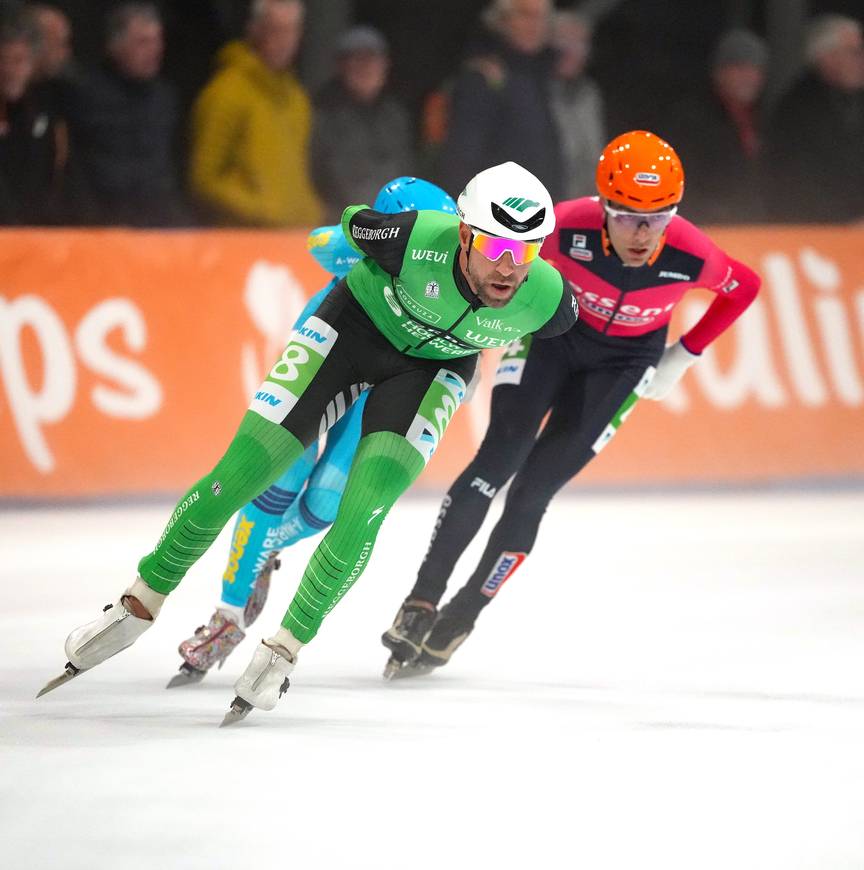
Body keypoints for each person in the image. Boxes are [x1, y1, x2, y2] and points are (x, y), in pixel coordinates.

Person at [38, 160, 579, 725]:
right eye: (497, 248)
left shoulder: (547, 300)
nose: (510, 268)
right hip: (354, 332)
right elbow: (349, 223)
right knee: (243, 473)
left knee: (360, 509)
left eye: (528, 251)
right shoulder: (411, 236)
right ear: (465, 233)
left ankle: (282, 651)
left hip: (429, 374)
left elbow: (568, 342)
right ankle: (136, 605)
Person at [380, 130, 761, 679]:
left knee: (534, 492)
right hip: (551, 341)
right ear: (603, 205)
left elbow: (743, 286)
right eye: (627, 215)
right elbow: (493, 257)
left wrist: (686, 353)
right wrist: (468, 330)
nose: (642, 233)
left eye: (658, 218)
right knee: (497, 462)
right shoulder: (566, 224)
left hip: (624, 365)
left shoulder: (691, 251)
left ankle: (465, 611)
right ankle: (420, 601)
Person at [167, 176, 458, 687]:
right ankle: (228, 618)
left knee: (326, 504)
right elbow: (321, 241)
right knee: (272, 484)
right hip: (329, 364)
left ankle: (265, 549)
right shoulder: (356, 247)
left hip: (383, 386)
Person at [189, 0, 321, 227]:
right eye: (276, 30)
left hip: (290, 239)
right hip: (241, 239)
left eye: (291, 30)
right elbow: (204, 178)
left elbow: (297, 173)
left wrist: (311, 213)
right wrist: (263, 210)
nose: (284, 41)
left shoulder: (297, 99)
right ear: (255, 30)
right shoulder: (226, 92)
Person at [63, 2, 188, 226]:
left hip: (160, 223)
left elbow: (172, 166)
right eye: (143, 42)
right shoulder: (85, 96)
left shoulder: (165, 97)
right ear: (115, 45)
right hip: (104, 224)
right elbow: (76, 170)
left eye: (157, 40)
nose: (155, 49)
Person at [437, 0, 563, 201]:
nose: (535, 25)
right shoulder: (484, 76)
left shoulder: (543, 75)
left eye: (542, 17)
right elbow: (461, 159)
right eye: (525, 15)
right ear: (502, 20)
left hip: (541, 212)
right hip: (499, 215)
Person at [309, 25, 415, 224]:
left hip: (390, 226)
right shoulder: (322, 114)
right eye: (357, 60)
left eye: (372, 59)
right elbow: (315, 175)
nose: (365, 68)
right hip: (339, 226)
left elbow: (406, 171)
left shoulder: (395, 116)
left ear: (385, 65)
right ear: (342, 66)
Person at [765, 14, 864, 223]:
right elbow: (794, 184)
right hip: (818, 234)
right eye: (854, 52)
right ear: (826, 57)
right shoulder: (795, 111)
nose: (861, 60)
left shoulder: (855, 102)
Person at [663, 28, 769, 224]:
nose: (749, 77)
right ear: (720, 72)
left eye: (755, 69)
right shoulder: (693, 118)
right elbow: (685, 180)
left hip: (753, 229)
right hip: (711, 227)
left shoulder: (760, 118)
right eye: (740, 69)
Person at [0, 12, 67, 224]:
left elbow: (51, 172)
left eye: (18, 61)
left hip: (37, 231)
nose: (10, 70)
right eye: (3, 60)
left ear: (31, 64)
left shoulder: (45, 107)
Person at [549, 9, 606, 199]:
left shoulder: (589, 94)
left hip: (583, 205)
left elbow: (594, 159)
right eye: (564, 41)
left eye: (580, 44)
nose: (572, 51)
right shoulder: (535, 93)